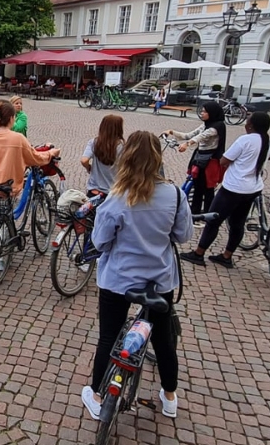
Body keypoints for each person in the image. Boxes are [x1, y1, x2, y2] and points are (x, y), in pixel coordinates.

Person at [81, 130, 190, 421]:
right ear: (158, 158)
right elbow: (183, 235)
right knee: (164, 341)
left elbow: (101, 242)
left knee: (109, 337)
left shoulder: (116, 199)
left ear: (126, 157)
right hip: (158, 280)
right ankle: (169, 398)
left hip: (119, 280)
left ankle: (96, 394)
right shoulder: (175, 195)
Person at [180, 112, 270, 268]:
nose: (245, 124)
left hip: (234, 188)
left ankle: (199, 253)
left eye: (247, 121)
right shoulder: (267, 141)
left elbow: (224, 160)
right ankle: (227, 256)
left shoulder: (245, 140)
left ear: (250, 125)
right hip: (253, 189)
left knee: (213, 220)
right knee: (238, 222)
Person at [0, 99, 59, 202]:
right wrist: (49, 154)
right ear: (12, 118)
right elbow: (35, 158)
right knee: (6, 216)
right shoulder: (18, 138)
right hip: (6, 189)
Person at [163, 102, 226, 215]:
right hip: (200, 159)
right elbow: (189, 135)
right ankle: (194, 213)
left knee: (207, 190)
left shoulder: (217, 126)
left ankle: (207, 215)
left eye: (204, 111)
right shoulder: (205, 124)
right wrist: (172, 132)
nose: (202, 113)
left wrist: (187, 144)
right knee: (198, 187)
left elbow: (201, 137)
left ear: (212, 113)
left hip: (210, 161)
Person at [81, 114, 124, 195]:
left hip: (95, 191)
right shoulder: (123, 147)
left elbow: (84, 160)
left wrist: (88, 167)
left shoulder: (94, 142)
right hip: (113, 193)